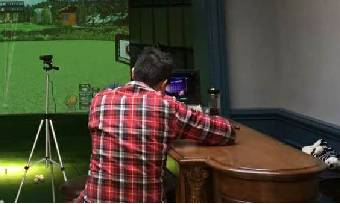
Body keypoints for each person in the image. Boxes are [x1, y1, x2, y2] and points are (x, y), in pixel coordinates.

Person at [75, 47, 237, 203]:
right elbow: (225, 133)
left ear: (133, 73)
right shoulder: (168, 107)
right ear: (164, 85)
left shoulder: (99, 100)